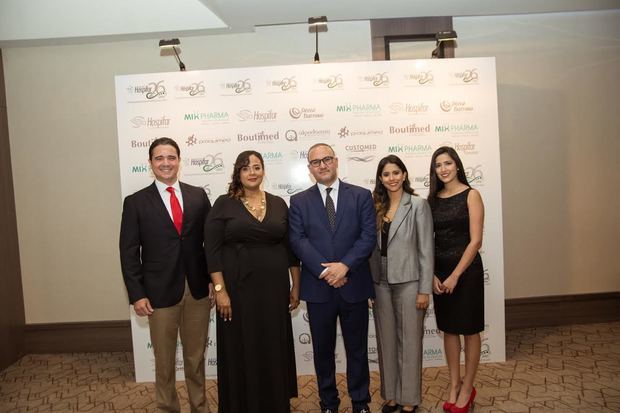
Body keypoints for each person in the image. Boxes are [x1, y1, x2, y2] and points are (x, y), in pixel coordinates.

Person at [119, 137, 213, 413]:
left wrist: (213, 281)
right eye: (159, 158)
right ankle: (168, 408)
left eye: (171, 157)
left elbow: (210, 243)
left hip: (197, 290)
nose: (166, 163)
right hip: (158, 293)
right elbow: (128, 252)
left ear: (179, 161)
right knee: (164, 360)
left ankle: (200, 406)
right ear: (150, 164)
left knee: (196, 358)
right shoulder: (135, 202)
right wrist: (137, 294)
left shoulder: (198, 195)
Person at [204, 150, 300, 413]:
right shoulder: (223, 204)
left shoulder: (279, 203)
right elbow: (211, 251)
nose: (252, 172)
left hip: (273, 289)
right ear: (238, 173)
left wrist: (296, 286)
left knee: (272, 344)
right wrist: (221, 291)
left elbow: (290, 248)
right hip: (237, 289)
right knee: (240, 345)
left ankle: (275, 404)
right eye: (246, 168)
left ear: (263, 170)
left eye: (257, 167)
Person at [289, 143, 376, 413]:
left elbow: (368, 237)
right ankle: (328, 403)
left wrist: (345, 266)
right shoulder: (299, 201)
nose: (322, 165)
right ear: (309, 169)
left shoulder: (361, 195)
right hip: (319, 288)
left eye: (327, 159)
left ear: (336, 161)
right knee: (323, 352)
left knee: (357, 350)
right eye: (316, 162)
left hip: (354, 284)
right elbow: (297, 239)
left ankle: (360, 402)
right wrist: (327, 271)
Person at [369, 155, 434, 413]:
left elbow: (426, 250)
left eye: (396, 172)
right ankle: (391, 396)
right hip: (379, 281)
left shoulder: (417, 205)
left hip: (409, 280)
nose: (392, 178)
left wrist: (424, 289)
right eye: (386, 174)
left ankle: (409, 399)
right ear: (380, 178)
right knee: (386, 341)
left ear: (404, 175)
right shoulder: (375, 207)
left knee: (409, 341)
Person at [427, 146, 485, 413]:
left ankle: (468, 387)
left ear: (457, 165)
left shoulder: (471, 195)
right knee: (449, 329)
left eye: (447, 163)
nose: (443, 169)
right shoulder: (433, 200)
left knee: (470, 330)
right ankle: (454, 384)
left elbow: (475, 241)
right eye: (438, 165)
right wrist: (433, 274)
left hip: (466, 272)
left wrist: (455, 276)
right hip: (440, 273)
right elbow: (427, 242)